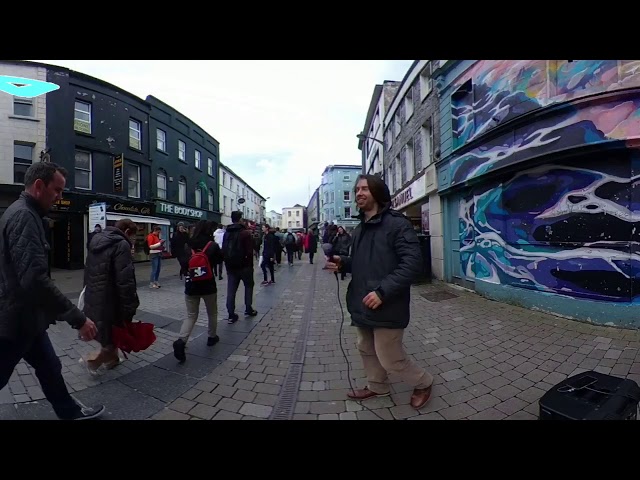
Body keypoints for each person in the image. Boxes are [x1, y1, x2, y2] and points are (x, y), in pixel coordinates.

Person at [0, 162, 104, 420]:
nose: (60, 197)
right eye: (57, 190)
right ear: (39, 186)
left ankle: (70, 413)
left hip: (27, 318)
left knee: (50, 367)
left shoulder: (22, 213)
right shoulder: (24, 216)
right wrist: (78, 318)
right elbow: (34, 279)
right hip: (16, 321)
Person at [325, 174, 432, 410]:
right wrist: (343, 262)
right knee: (365, 347)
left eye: (365, 189)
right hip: (362, 300)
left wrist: (383, 292)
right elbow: (362, 262)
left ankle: (423, 382)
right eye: (356, 190)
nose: (359, 193)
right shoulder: (360, 227)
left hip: (387, 302)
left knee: (390, 357)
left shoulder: (397, 224)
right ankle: (377, 386)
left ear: (378, 193)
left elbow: (413, 264)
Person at [82, 219, 140, 375]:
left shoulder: (96, 241)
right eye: (133, 236)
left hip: (94, 295)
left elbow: (87, 271)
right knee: (113, 335)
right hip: (111, 299)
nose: (133, 240)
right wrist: (130, 306)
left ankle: (112, 361)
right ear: (127, 231)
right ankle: (94, 363)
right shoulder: (122, 245)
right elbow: (125, 280)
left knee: (109, 334)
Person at [173, 220, 223, 363]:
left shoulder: (189, 244)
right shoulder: (212, 245)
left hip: (192, 285)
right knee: (212, 313)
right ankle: (212, 337)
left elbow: (183, 263)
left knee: (191, 315)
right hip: (208, 285)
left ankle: (181, 341)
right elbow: (220, 260)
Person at [222, 211, 257, 323]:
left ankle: (231, 314)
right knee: (248, 286)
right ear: (240, 219)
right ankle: (248, 309)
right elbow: (250, 251)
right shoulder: (246, 233)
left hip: (231, 267)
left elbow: (224, 249)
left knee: (231, 290)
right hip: (245, 266)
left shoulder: (226, 233)